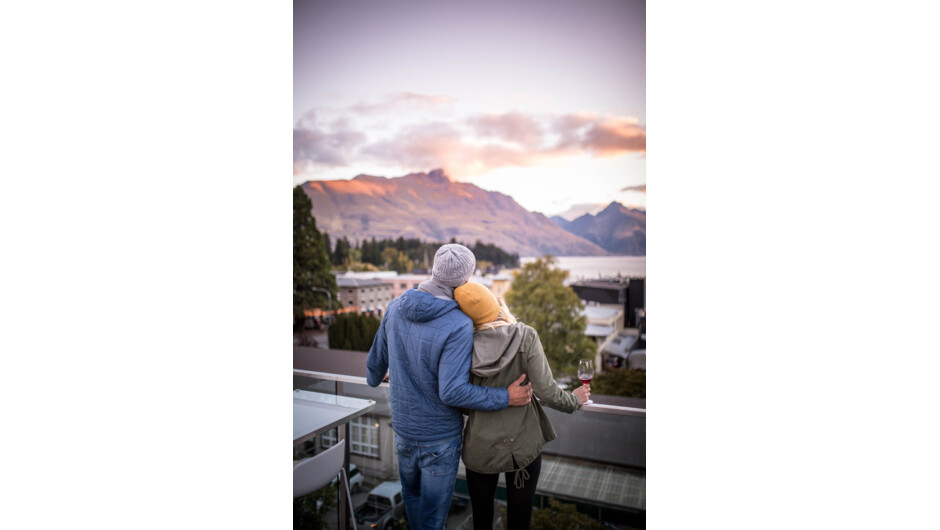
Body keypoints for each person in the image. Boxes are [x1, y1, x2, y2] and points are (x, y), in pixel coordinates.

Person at [366, 244, 533, 530]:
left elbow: (373, 373)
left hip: (404, 432)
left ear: (434, 269)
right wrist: (506, 396)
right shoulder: (459, 323)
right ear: (466, 279)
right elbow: (452, 391)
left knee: (414, 507)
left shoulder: (393, 308)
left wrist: (401, 370)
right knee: (433, 520)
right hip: (439, 439)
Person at [453, 281, 590, 530]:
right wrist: (575, 399)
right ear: (495, 306)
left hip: (480, 447)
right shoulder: (525, 335)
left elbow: (459, 400)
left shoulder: (460, 346)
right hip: (522, 448)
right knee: (520, 519)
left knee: (481, 520)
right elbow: (547, 393)